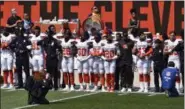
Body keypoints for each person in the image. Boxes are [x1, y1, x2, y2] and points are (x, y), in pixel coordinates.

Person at [37, 25, 62, 91]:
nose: (49, 35)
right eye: (48, 33)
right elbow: (38, 43)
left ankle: (56, 86)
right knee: (48, 72)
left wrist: (58, 52)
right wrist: (43, 43)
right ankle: (50, 84)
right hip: (48, 58)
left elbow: (59, 48)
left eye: (50, 34)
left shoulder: (55, 40)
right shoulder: (45, 40)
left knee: (55, 72)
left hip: (54, 58)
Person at [9, 23, 32, 89]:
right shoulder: (16, 39)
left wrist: (24, 50)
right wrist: (15, 50)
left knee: (27, 71)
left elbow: (29, 47)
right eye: (19, 31)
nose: (20, 33)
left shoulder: (26, 39)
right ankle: (20, 84)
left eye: (21, 31)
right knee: (19, 71)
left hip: (25, 57)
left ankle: (28, 84)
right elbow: (10, 45)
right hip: (18, 57)